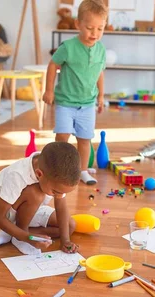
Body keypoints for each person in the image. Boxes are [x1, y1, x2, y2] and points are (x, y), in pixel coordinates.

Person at [43, 0, 108, 185]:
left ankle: (82, 170)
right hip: (65, 102)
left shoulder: (101, 50)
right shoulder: (68, 47)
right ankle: (58, 168)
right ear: (77, 24)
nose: (94, 34)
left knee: (84, 139)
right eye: (89, 28)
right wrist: (49, 90)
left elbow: (99, 73)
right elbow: (52, 64)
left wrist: (101, 96)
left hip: (87, 104)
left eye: (100, 29)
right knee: (63, 136)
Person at [0, 142, 80, 255]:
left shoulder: (54, 171)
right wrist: (27, 238)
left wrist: (65, 241)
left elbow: (61, 205)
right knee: (36, 193)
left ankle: (13, 232)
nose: (58, 195)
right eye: (55, 192)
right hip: (0, 207)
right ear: (39, 174)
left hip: (30, 207)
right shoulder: (17, 175)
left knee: (69, 226)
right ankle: (21, 236)